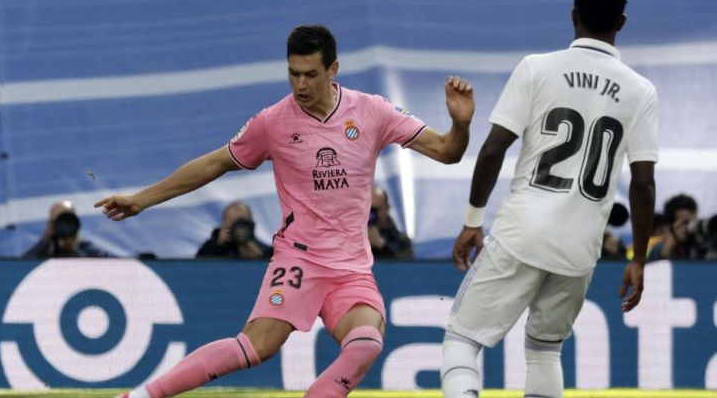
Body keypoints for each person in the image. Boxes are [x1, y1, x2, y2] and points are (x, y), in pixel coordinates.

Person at [96, 24, 476, 398]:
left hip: (351, 268)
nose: (301, 85)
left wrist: (460, 125)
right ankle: (139, 396)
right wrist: (143, 198)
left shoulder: (371, 111)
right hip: (299, 261)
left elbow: (447, 151)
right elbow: (215, 163)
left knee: (366, 343)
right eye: (293, 74)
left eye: (311, 74)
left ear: (333, 70)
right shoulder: (273, 122)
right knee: (253, 348)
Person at [441, 0, 657, 398]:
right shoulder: (641, 90)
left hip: (524, 232)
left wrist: (472, 220)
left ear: (572, 14)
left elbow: (491, 150)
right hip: (581, 248)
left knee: (462, 341)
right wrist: (640, 258)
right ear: (622, 22)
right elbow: (644, 184)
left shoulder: (537, 68)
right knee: (544, 350)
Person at [22, 200, 110, 259]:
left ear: (75, 221)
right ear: (50, 222)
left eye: (66, 219)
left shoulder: (87, 249)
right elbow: (21, 266)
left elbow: (107, 263)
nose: (63, 225)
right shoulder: (45, 250)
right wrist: (46, 239)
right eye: (57, 220)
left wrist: (72, 248)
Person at [196, 201, 272, 259]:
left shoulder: (268, 251)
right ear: (224, 224)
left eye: (241, 223)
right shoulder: (209, 247)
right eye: (232, 223)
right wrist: (218, 246)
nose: (237, 228)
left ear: (251, 224)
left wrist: (260, 259)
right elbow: (199, 270)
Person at [368, 187, 413, 259]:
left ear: (387, 208)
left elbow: (405, 266)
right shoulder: (355, 237)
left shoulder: (402, 240)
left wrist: (382, 246)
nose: (372, 215)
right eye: (370, 210)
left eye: (377, 210)